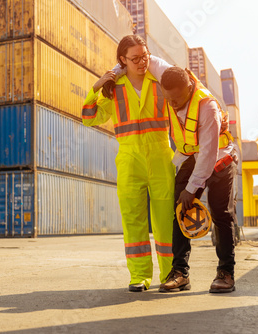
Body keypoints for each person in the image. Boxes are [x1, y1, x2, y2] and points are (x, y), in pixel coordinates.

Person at [82, 35, 175, 292]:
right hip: (129, 159)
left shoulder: (160, 81)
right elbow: (88, 117)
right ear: (122, 60)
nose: (142, 62)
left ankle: (170, 275)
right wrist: (97, 85)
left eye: (145, 56)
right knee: (133, 220)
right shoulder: (114, 88)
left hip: (160, 158)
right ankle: (139, 276)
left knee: (166, 220)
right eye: (135, 58)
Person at [156, 66, 238, 293]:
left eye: (178, 98)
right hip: (192, 155)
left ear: (190, 87)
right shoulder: (170, 84)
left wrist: (191, 189)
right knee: (179, 210)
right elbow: (147, 60)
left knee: (222, 214)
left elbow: (209, 154)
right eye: (168, 98)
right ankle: (180, 272)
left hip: (219, 158)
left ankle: (226, 273)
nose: (172, 103)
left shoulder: (207, 107)